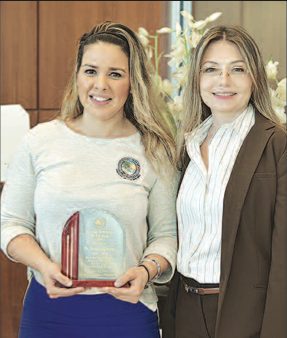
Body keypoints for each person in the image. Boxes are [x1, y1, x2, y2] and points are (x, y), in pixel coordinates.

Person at [1, 21, 178, 338]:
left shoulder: (154, 150)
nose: (101, 85)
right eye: (91, 71)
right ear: (77, 75)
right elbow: (10, 224)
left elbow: (166, 236)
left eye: (115, 74)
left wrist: (146, 269)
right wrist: (43, 265)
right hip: (49, 313)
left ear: (132, 82)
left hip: (128, 314)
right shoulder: (39, 142)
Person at [162, 25, 287, 338]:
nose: (223, 81)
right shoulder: (185, 148)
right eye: (211, 69)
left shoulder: (276, 145)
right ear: (197, 79)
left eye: (238, 69)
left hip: (246, 316)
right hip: (185, 311)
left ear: (255, 77)